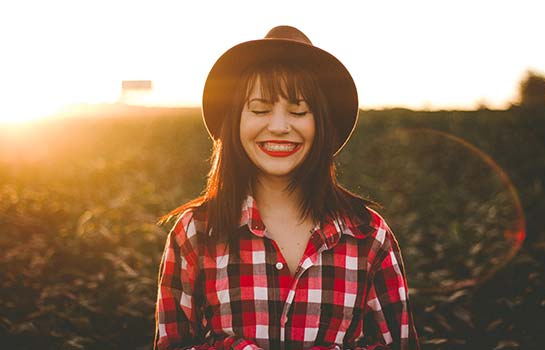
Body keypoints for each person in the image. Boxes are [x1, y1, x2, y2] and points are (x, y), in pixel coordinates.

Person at [155, 25, 419, 350]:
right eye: (260, 109)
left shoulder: (369, 237)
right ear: (235, 120)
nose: (279, 127)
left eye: (298, 111)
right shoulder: (194, 234)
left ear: (321, 124)